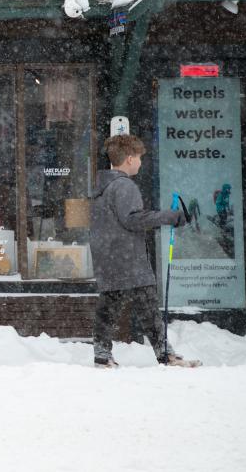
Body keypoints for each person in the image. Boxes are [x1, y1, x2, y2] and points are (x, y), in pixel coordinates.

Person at [90, 134, 200, 368]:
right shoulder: (124, 185)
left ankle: (102, 355)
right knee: (148, 308)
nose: (140, 162)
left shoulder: (102, 186)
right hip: (128, 257)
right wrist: (171, 217)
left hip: (107, 256)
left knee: (108, 307)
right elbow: (132, 219)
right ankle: (165, 355)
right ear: (129, 159)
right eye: (139, 158)